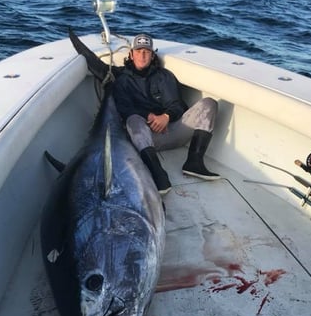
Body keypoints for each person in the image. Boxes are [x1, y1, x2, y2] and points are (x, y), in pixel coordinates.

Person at [69, 29, 220, 195]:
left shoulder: (165, 76)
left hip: (171, 131)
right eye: (139, 51)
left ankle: (194, 162)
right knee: (134, 120)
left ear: (152, 56)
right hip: (142, 140)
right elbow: (124, 107)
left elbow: (177, 104)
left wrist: (166, 117)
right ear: (131, 54)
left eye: (147, 52)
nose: (142, 55)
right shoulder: (120, 77)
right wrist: (149, 116)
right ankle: (157, 174)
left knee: (209, 104)